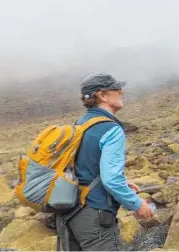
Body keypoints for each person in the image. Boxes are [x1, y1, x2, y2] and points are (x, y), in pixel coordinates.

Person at [56, 73, 154, 251]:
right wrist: (137, 204)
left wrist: (123, 182)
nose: (121, 91)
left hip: (67, 215)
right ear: (102, 95)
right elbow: (111, 179)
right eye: (116, 89)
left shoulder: (79, 125)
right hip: (94, 217)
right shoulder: (111, 129)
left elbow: (83, 168)